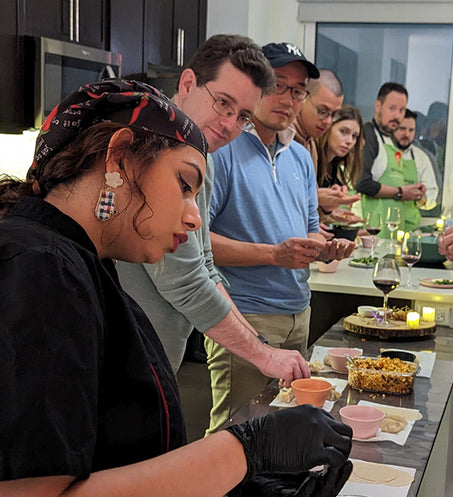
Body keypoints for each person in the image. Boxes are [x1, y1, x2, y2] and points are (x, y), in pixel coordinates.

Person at [0, 79, 353, 496]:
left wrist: (238, 484)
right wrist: (245, 450)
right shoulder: (42, 268)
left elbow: (112, 463)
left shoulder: (82, 264)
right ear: (118, 156)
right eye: (185, 185)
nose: (194, 218)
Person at [126, 34, 310, 384]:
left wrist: (260, 345)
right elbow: (185, 281)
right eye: (222, 103)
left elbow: (206, 266)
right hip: (118, 362)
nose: (229, 124)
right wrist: (264, 355)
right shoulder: (152, 151)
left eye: (242, 116)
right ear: (188, 82)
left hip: (155, 362)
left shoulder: (199, 156)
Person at [206, 43, 356, 435]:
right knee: (234, 434)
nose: (287, 98)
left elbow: (308, 225)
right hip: (244, 317)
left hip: (298, 312)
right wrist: (274, 254)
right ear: (256, 85)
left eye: (297, 90)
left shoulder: (300, 157)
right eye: (278, 84)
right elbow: (198, 244)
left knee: (283, 432)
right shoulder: (222, 148)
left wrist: (321, 247)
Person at [356, 82, 427, 237]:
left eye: (401, 110)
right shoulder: (368, 135)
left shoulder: (391, 140)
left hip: (393, 234)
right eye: (392, 108)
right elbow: (361, 182)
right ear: (378, 106)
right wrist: (400, 192)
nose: (397, 115)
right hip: (372, 236)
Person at [293, 69, 361, 230]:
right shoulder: (283, 139)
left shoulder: (309, 146)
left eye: (333, 114)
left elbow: (308, 213)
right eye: (322, 111)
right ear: (302, 97)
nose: (328, 121)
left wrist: (327, 208)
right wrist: (316, 198)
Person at [391, 109, 438, 212]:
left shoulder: (421, 158)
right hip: (381, 224)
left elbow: (432, 194)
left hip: (410, 226)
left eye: (411, 130)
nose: (406, 134)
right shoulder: (381, 153)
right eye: (402, 129)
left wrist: (420, 197)